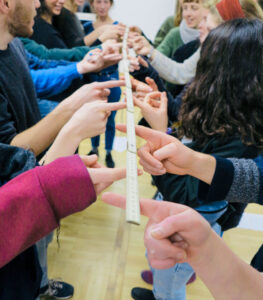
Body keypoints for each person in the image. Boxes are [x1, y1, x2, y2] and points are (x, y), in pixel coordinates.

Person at [119, 18, 263, 300]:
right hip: (176, 206)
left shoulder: (241, 136)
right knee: (159, 262)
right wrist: (160, 100)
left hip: (192, 218)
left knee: (170, 283)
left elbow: (183, 195)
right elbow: (189, 131)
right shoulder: (221, 104)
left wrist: (160, 133)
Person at [0, 0, 124, 298]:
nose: (37, 3)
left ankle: (40, 285)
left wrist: (82, 70)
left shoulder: (14, 46)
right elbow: (9, 152)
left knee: (33, 258)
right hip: (11, 209)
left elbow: (33, 77)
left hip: (27, 188)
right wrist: (69, 117)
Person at [101, 192, 263, 300]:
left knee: (172, 283)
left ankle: (164, 295)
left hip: (197, 223)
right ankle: (159, 294)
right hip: (176, 214)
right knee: (160, 268)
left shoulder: (236, 148)